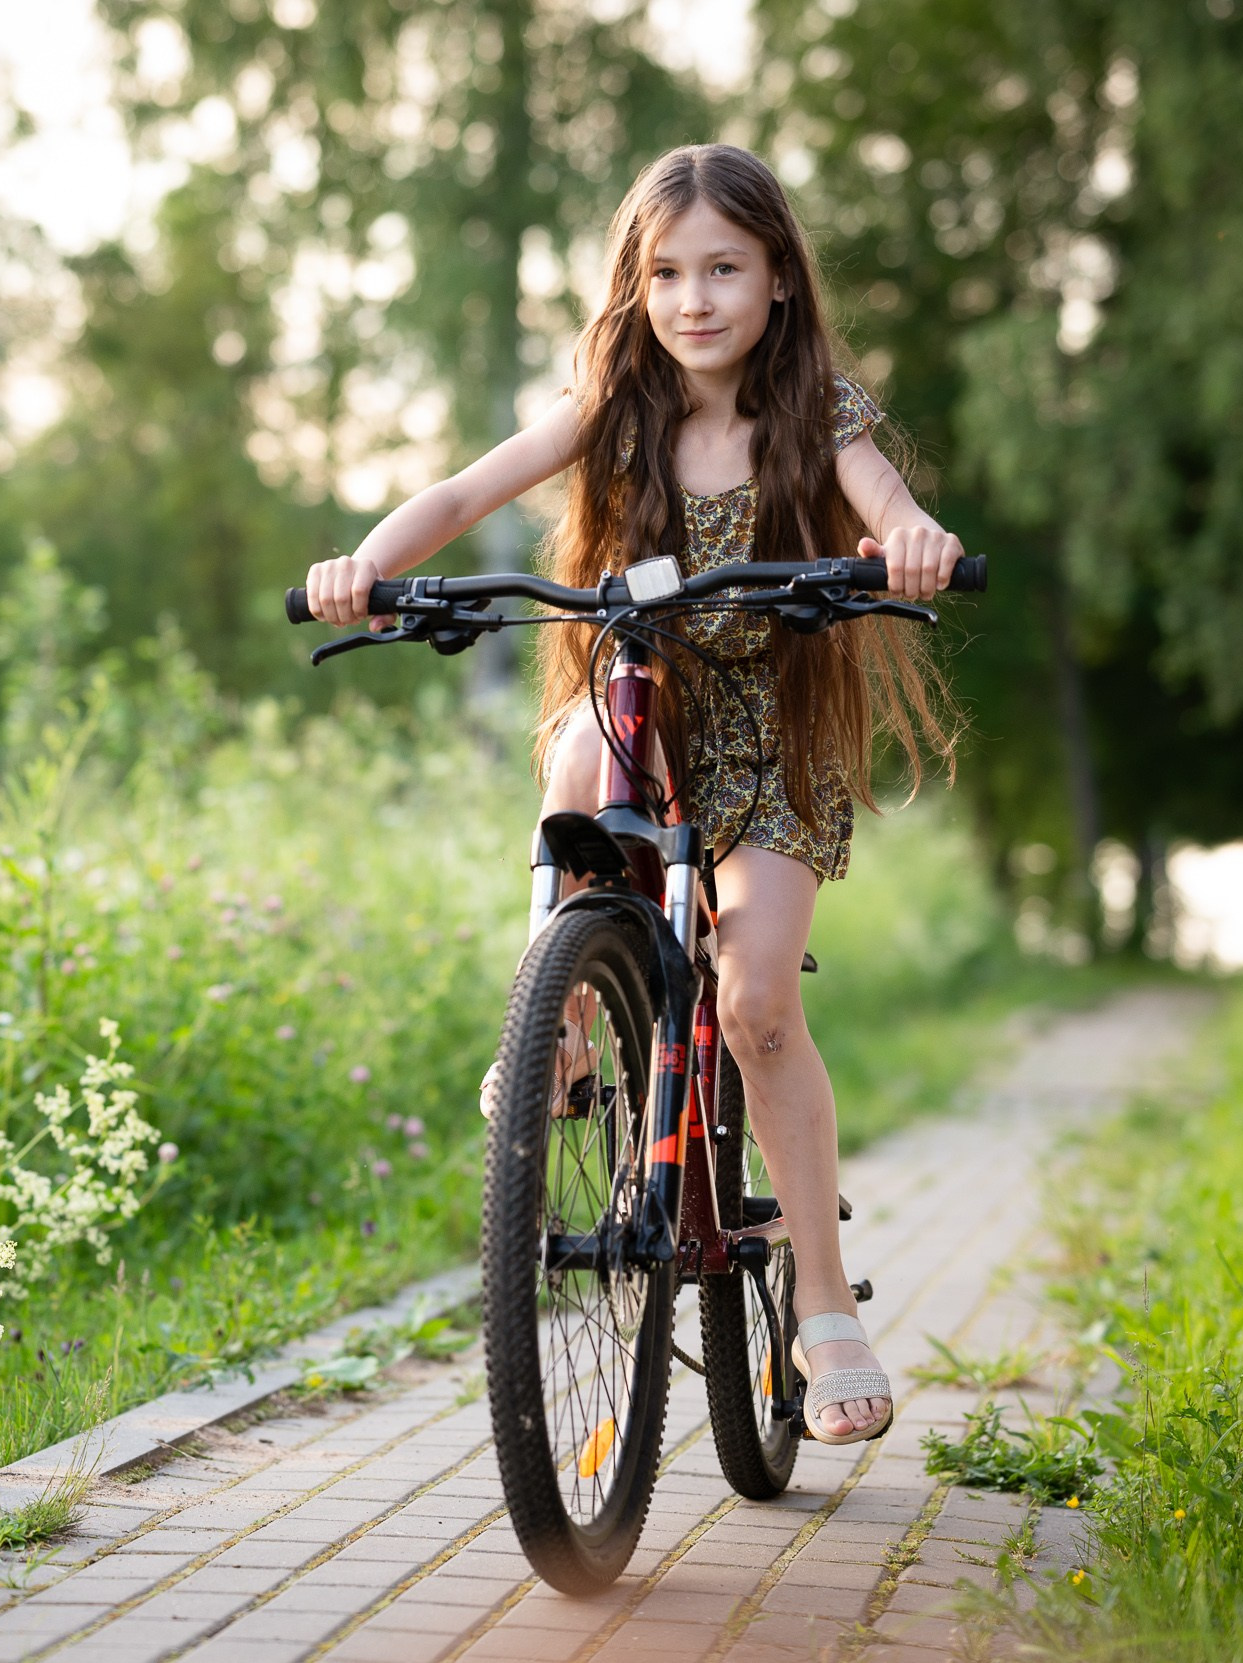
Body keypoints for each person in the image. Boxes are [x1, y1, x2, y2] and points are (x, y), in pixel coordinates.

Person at [302, 143, 960, 1446]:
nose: (696, 297)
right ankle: (549, 1018)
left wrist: (913, 546)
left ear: (778, 281)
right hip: (644, 699)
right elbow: (464, 489)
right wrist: (367, 564)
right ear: (635, 286)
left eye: (725, 268)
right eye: (667, 272)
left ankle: (824, 1309)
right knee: (578, 752)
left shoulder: (813, 409)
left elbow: (882, 500)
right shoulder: (614, 404)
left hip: (772, 735)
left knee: (759, 999)